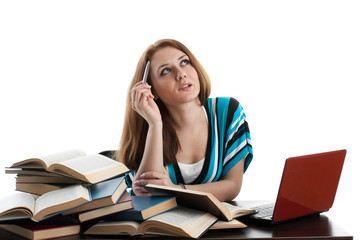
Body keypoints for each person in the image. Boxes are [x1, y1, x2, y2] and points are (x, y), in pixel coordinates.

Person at [116, 39, 253, 202]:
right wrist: (155, 124)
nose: (181, 74)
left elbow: (232, 186)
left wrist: (175, 190)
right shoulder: (148, 127)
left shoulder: (227, 111)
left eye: (184, 62)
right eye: (166, 70)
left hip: (215, 225)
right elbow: (147, 195)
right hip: (162, 225)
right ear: (151, 89)